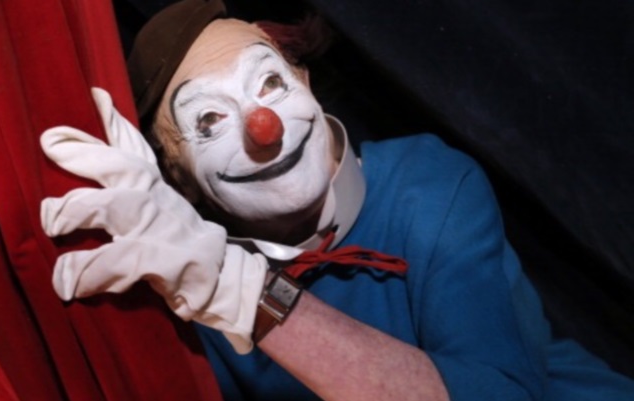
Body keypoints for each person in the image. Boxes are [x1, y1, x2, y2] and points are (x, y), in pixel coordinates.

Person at [38, 0, 634, 400]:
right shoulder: (183, 284)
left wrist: (245, 293)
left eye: (270, 82)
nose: (264, 127)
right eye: (210, 121)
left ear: (305, 82)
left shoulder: (427, 184)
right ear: (180, 178)